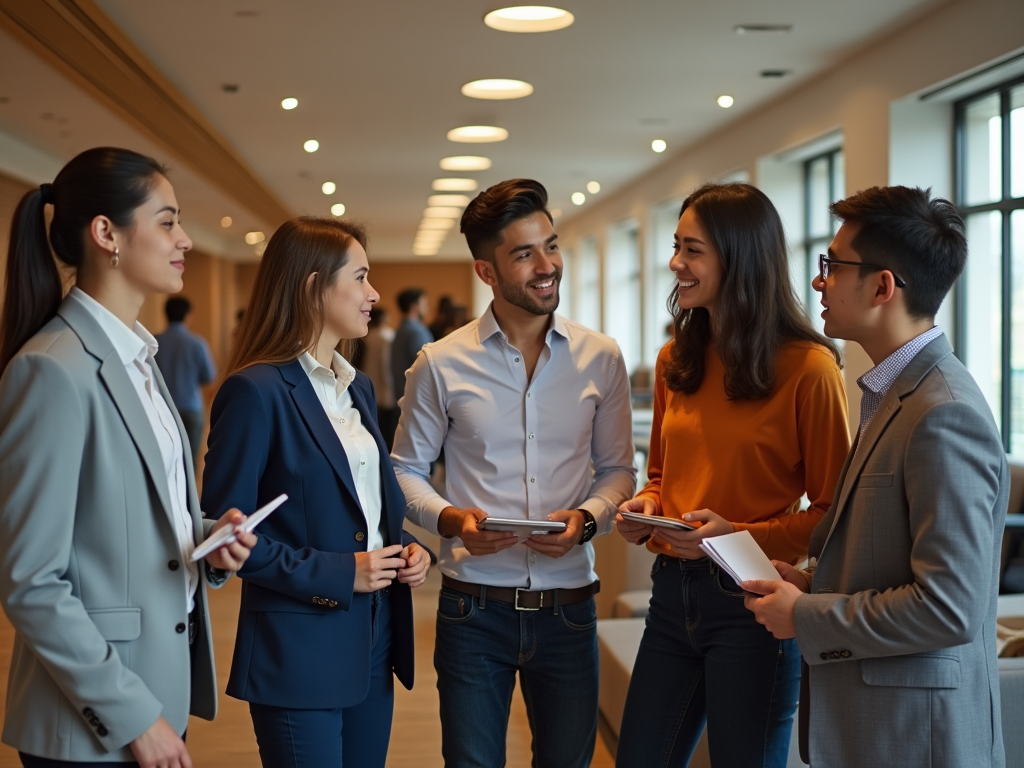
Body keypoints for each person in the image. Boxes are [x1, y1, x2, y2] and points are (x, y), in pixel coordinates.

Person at [0, 146, 255, 768]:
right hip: (97, 717)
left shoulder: (138, 360)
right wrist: (133, 718)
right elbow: (31, 580)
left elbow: (127, 526)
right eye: (167, 222)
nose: (185, 240)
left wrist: (207, 541)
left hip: (157, 687)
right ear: (106, 234)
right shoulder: (51, 370)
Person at [743, 186, 1007, 768]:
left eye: (832, 267)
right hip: (882, 726)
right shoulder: (892, 395)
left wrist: (805, 616)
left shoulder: (945, 413)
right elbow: (890, 559)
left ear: (883, 286)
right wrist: (813, 585)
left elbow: (949, 608)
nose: (818, 282)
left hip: (917, 736)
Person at [391, 178, 636, 768]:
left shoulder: (601, 357)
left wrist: (587, 519)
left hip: (572, 610)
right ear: (486, 271)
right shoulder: (440, 363)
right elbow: (403, 471)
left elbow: (618, 471)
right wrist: (450, 520)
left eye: (550, 245)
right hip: (473, 612)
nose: (546, 265)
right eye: (524, 254)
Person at [613, 182, 851, 768]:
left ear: (739, 256)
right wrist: (647, 507)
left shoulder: (809, 368)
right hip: (671, 591)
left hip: (752, 599)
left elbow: (832, 515)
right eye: (676, 246)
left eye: (692, 250)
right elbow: (664, 473)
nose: (676, 264)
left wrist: (735, 537)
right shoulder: (677, 358)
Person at [201, 216, 432, 768]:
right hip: (298, 650)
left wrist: (402, 549)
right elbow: (222, 535)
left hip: (374, 636)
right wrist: (342, 572)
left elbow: (366, 507)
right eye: (360, 277)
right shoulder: (256, 391)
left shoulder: (358, 386)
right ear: (312, 286)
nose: (374, 294)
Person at [155, 296, 216, 464]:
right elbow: (209, 377)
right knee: (190, 461)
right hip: (191, 409)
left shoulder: (154, 343)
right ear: (188, 316)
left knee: (166, 461)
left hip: (162, 409)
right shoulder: (197, 343)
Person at [359, 306, 398, 450]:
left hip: (370, 378)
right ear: (383, 318)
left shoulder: (370, 335)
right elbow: (386, 362)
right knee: (387, 424)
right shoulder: (386, 336)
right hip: (384, 384)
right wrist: (390, 381)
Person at [391, 287, 432, 406]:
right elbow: (426, 365)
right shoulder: (416, 331)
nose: (427, 307)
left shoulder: (401, 329)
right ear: (414, 306)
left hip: (402, 394)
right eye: (424, 303)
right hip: (417, 398)